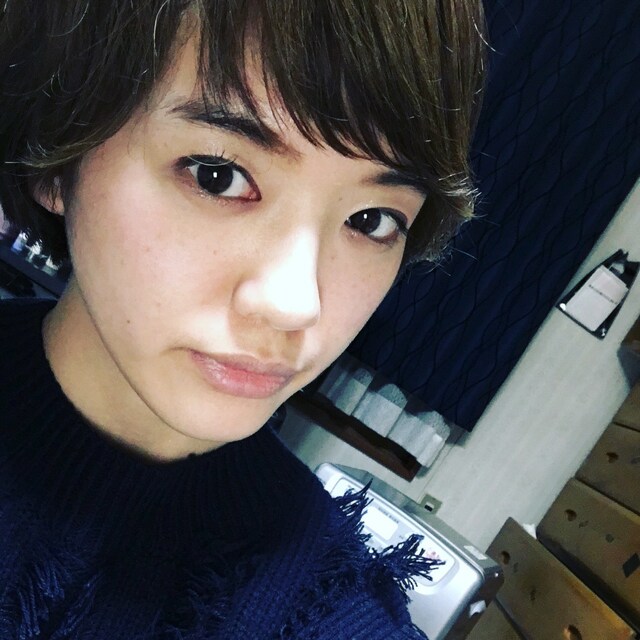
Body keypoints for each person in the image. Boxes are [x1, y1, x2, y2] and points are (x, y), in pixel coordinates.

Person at [0, 1, 486, 638]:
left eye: (371, 221)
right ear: (57, 157)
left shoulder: (325, 609)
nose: (295, 304)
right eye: (218, 176)